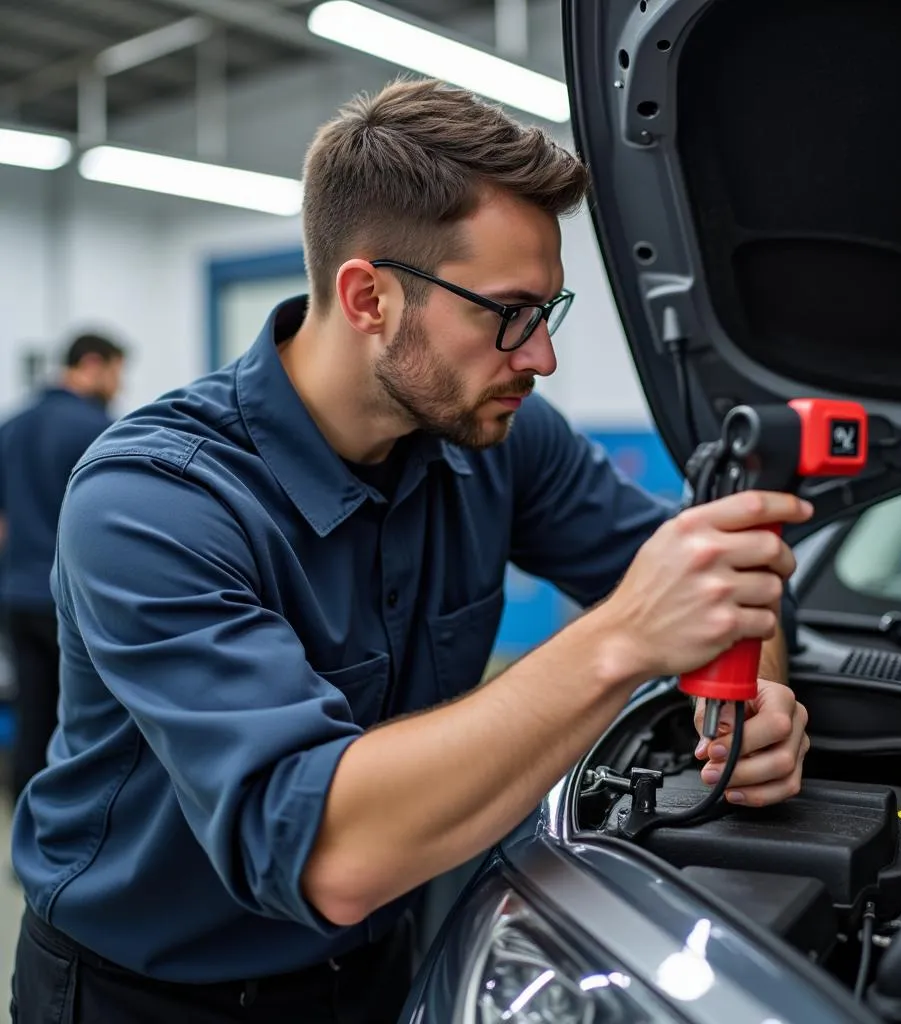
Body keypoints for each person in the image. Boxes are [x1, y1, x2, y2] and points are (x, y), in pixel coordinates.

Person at [10, 79, 812, 1024]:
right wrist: (623, 640)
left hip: (384, 965)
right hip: (142, 994)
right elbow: (328, 854)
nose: (540, 358)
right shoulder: (154, 500)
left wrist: (746, 705)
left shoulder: (503, 438)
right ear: (369, 298)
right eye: (508, 313)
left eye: (548, 313)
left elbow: (720, 586)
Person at [0, 332, 125, 811]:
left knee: (32, 714)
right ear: (92, 364)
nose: (119, 385)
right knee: (85, 720)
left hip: (15, 597)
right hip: (70, 602)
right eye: (116, 372)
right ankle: (78, 827)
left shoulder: (12, 428)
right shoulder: (97, 426)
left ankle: (27, 830)